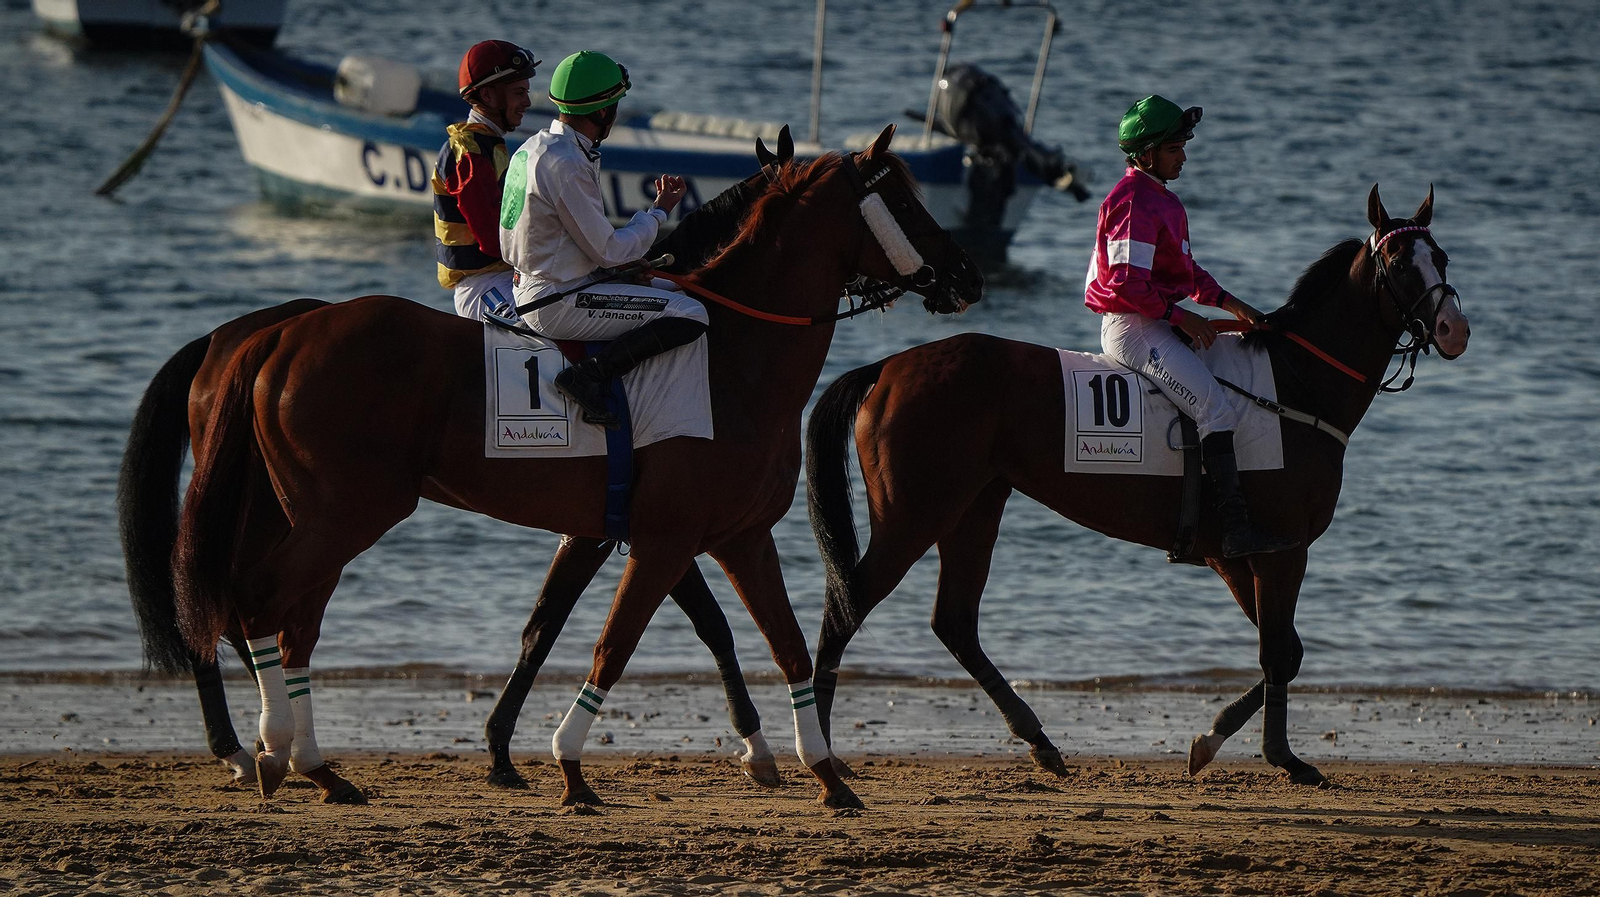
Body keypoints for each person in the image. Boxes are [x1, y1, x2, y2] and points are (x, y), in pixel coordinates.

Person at [1083, 95, 1296, 558]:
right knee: (1216, 409)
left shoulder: (1163, 200)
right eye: (1175, 148)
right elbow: (1125, 283)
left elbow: (1187, 274)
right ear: (1146, 154)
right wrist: (1184, 318)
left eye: (1183, 146)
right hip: (1134, 327)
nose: (1184, 155)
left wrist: (1237, 307)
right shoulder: (1133, 201)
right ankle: (1234, 532)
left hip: (1154, 318)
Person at [499, 50, 705, 429]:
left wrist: (623, 271)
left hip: (539, 285)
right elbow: (609, 251)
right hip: (556, 302)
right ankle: (590, 376)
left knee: (685, 289)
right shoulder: (567, 164)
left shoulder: (533, 147)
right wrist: (658, 212)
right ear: (601, 112)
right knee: (692, 312)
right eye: (615, 105)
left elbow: (575, 245)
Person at [433, 40, 538, 320]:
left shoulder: (490, 143)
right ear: (489, 97)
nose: (526, 102)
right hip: (484, 288)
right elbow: (494, 240)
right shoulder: (468, 152)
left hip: (507, 278)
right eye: (518, 92)